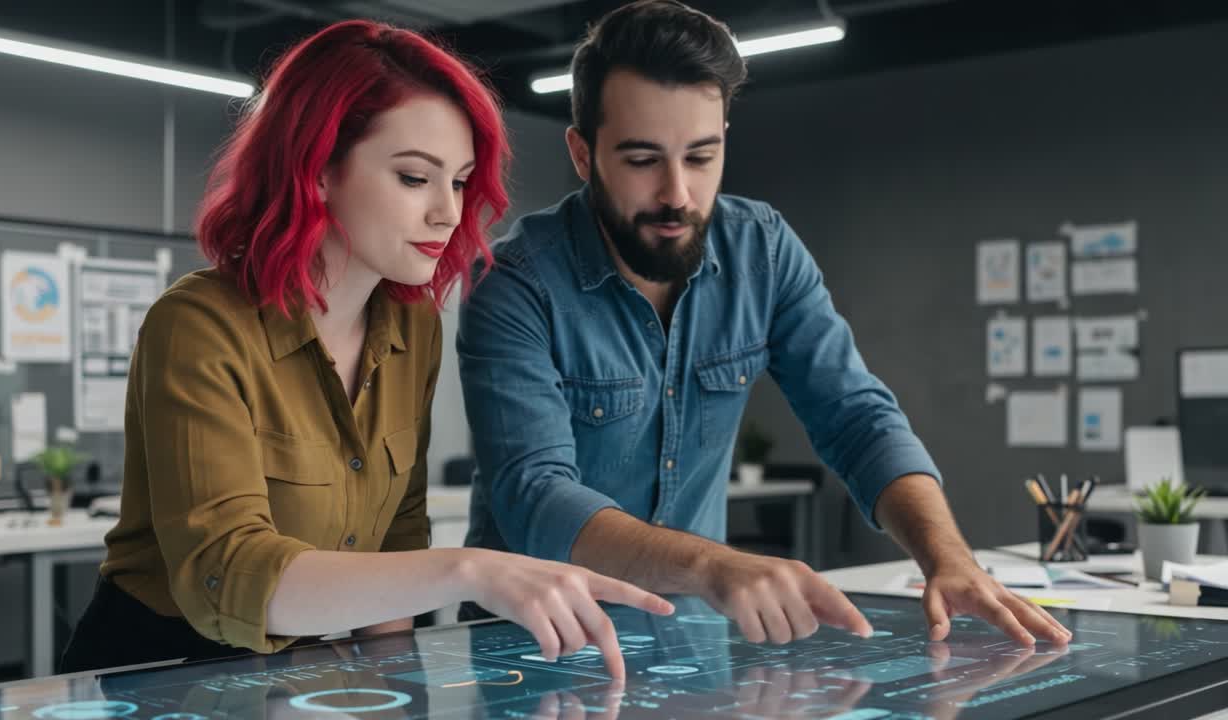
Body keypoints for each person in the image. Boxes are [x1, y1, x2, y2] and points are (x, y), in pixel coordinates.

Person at [60, 18, 671, 679]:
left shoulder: (411, 326)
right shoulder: (199, 325)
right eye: (415, 178)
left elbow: (397, 534)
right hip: (160, 669)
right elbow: (223, 574)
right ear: (317, 170)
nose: (447, 212)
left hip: (300, 673)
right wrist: (470, 570)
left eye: (460, 181)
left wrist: (396, 687)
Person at [457, 0, 1070, 648]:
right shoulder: (515, 281)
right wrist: (713, 565)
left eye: (701, 156)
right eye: (642, 160)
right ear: (583, 155)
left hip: (689, 642)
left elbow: (856, 417)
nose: (678, 194)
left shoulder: (764, 251)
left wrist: (946, 556)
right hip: (534, 648)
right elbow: (536, 498)